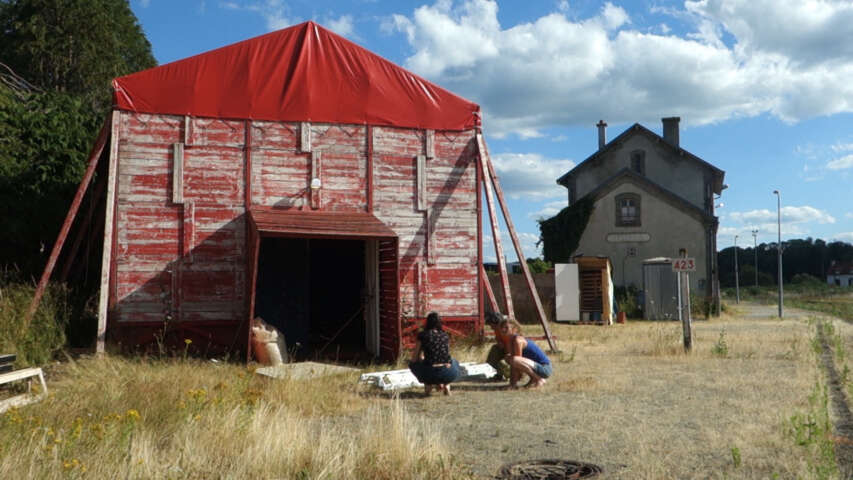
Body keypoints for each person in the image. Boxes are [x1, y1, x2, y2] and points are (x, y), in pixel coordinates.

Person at [409, 312, 460, 396]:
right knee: (455, 362)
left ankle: (428, 385)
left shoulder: (423, 335)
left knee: (413, 364)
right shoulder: (445, 335)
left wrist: (420, 360)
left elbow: (414, 358)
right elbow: (445, 355)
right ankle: (446, 384)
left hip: (430, 372)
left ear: (427, 322)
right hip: (448, 373)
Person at [499, 318, 552, 389]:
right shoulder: (510, 341)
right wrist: (512, 384)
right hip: (534, 366)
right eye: (502, 327)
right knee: (508, 358)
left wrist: (517, 377)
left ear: (515, 329)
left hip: (545, 368)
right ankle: (532, 380)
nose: (503, 330)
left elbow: (517, 362)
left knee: (514, 359)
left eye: (506, 327)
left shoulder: (518, 340)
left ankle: (539, 379)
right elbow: (514, 365)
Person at [485, 311, 511, 380]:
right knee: (494, 350)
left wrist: (507, 357)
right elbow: (499, 340)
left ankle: (512, 374)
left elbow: (510, 345)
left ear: (496, 323)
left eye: (491, 324)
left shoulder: (506, 330)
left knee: (502, 363)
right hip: (504, 349)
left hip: (511, 352)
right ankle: (499, 374)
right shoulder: (497, 329)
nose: (490, 327)